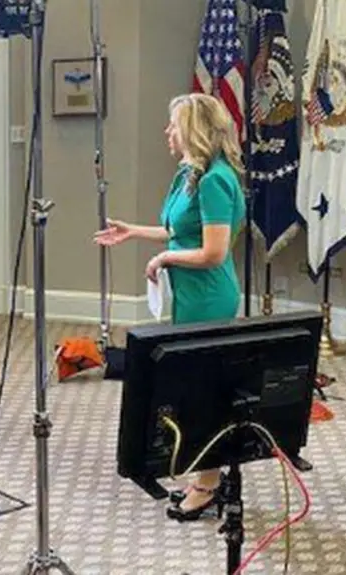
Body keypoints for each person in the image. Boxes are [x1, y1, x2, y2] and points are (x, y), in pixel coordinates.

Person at [94, 92, 245, 520]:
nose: (167, 132)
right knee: (189, 389)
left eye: (173, 124)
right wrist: (133, 232)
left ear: (193, 130)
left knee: (202, 392)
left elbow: (213, 252)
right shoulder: (190, 175)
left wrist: (163, 259)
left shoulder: (215, 180)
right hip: (189, 295)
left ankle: (208, 484)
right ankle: (204, 473)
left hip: (209, 297)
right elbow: (178, 231)